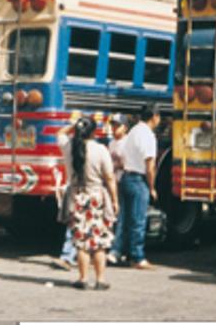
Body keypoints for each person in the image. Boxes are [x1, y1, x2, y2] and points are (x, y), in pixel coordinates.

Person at [60, 116, 119, 290]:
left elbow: (60, 133)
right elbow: (109, 177)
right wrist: (115, 201)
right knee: (98, 241)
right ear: (94, 132)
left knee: (81, 242)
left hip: (76, 197)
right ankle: (100, 280)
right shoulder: (100, 149)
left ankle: (83, 278)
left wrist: (74, 125)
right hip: (96, 198)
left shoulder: (68, 147)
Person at [114, 104, 160, 269]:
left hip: (126, 177)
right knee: (138, 220)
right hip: (138, 180)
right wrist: (152, 186)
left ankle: (119, 251)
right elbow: (150, 165)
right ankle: (138, 257)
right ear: (154, 117)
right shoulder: (148, 135)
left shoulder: (133, 131)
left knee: (124, 219)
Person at [106, 114, 129, 265]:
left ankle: (117, 250)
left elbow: (128, 164)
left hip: (124, 181)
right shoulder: (112, 143)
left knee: (122, 217)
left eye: (117, 125)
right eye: (113, 125)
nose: (114, 128)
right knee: (114, 216)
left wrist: (115, 165)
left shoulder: (127, 143)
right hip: (113, 183)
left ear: (125, 127)